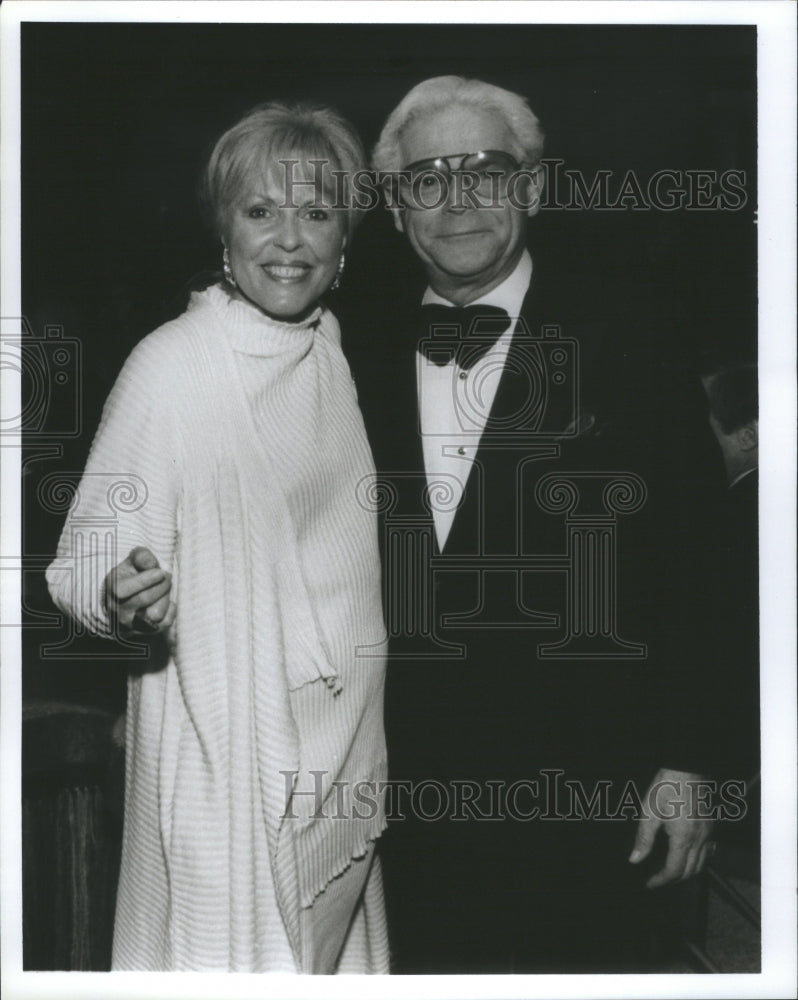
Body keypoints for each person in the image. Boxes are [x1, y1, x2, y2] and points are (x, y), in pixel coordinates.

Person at [346, 75, 729, 972]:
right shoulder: (346, 347)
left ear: (536, 186)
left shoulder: (630, 335)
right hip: (403, 805)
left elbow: (705, 567)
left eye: (484, 169)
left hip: (597, 798)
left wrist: (692, 763)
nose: (458, 199)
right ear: (399, 213)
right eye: (427, 179)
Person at [46, 101, 389, 973]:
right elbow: (86, 552)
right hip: (223, 756)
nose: (289, 239)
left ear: (345, 242)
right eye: (260, 210)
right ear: (224, 232)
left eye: (317, 213)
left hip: (337, 760)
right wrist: (120, 592)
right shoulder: (174, 362)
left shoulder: (333, 359)